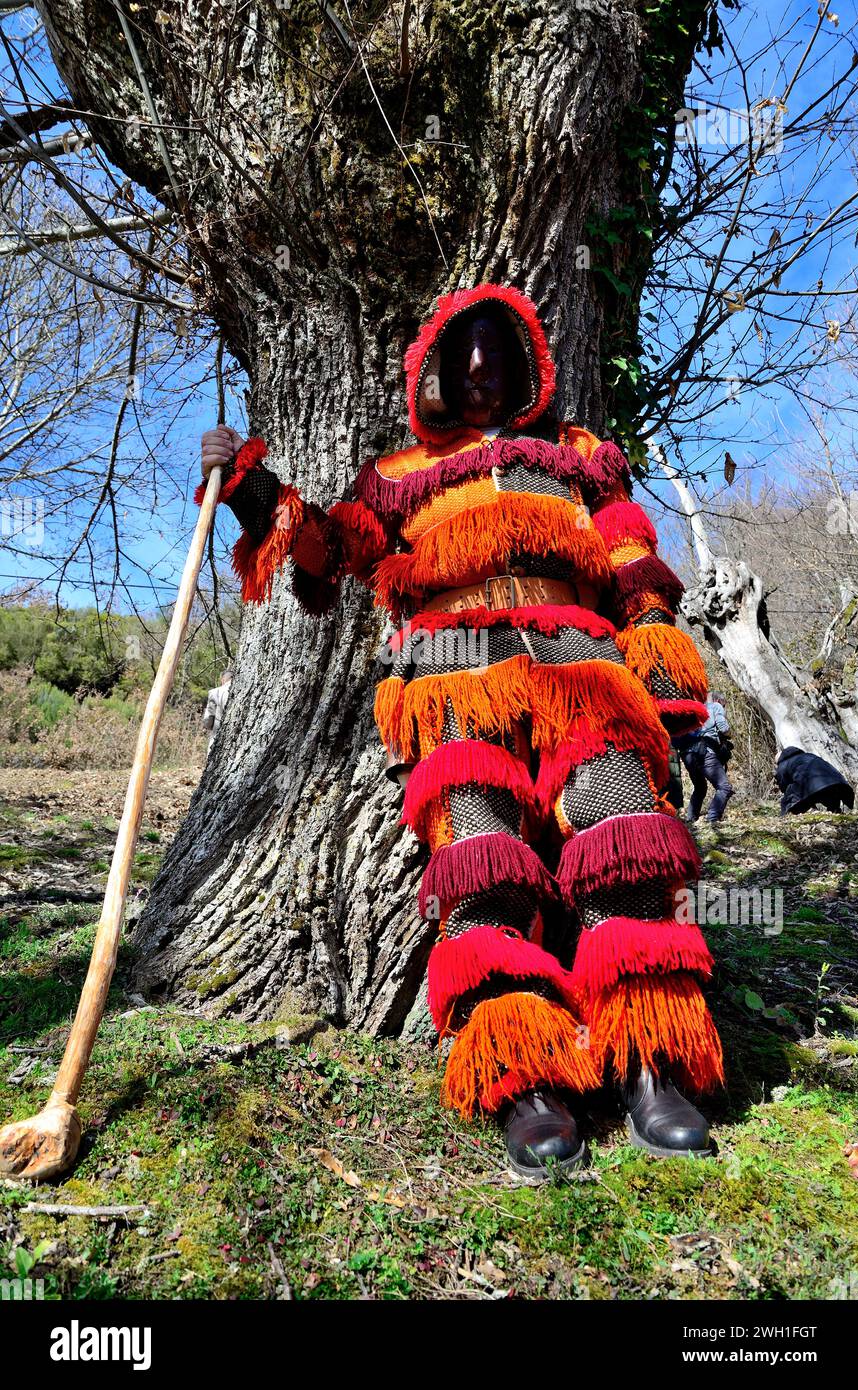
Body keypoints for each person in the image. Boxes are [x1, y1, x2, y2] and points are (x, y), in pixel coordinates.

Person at [198, 284, 723, 1176]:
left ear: (528, 370)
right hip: (454, 682)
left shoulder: (578, 457)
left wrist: (672, 692)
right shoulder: (397, 477)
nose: (480, 370)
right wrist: (249, 491)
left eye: (499, 355)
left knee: (623, 839)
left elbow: (634, 564)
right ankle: (525, 1073)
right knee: (479, 859)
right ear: (434, 373)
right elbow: (329, 554)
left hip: (581, 669)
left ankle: (646, 1057)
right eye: (463, 357)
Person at [676, 693, 734, 825]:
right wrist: (728, 735)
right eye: (724, 705)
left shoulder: (693, 710)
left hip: (687, 754)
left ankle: (691, 818)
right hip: (704, 751)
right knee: (724, 787)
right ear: (718, 700)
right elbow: (723, 727)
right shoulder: (715, 706)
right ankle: (712, 818)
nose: (723, 707)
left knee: (700, 787)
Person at [774, 746, 854, 814]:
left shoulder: (783, 764)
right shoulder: (809, 755)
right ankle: (835, 811)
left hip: (814, 785)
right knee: (828, 793)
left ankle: (789, 816)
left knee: (788, 801)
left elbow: (783, 784)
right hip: (838, 783)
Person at [203, 670, 232, 753]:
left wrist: (207, 726)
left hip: (217, 735)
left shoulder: (215, 692)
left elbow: (208, 718)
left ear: (222, 679)